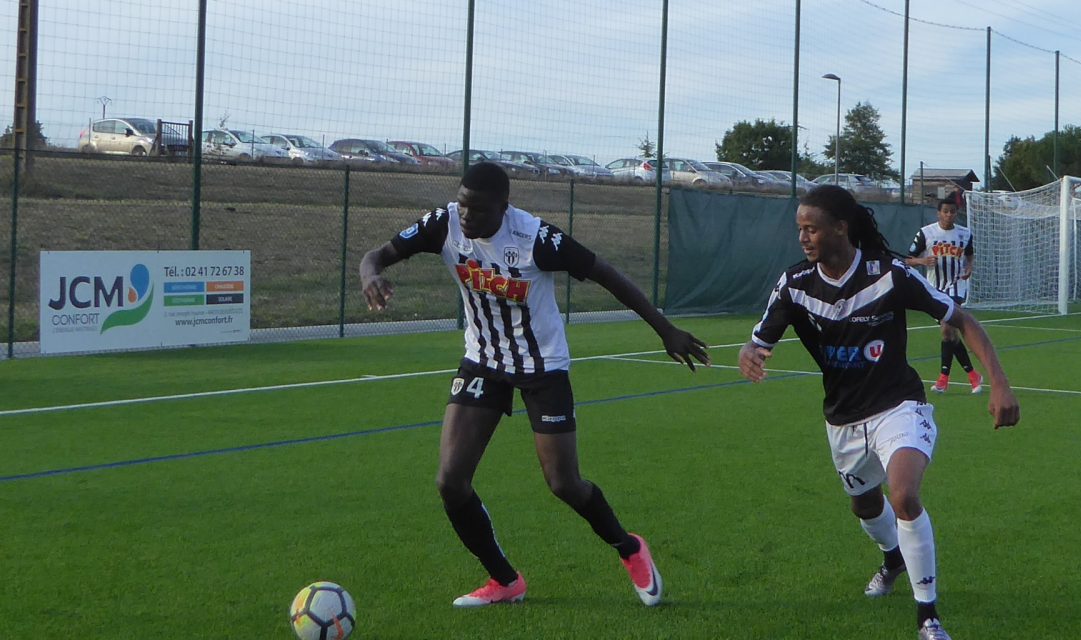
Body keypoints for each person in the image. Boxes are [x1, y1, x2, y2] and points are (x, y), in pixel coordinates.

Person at [360, 162, 709, 608]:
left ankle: (630, 549)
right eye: (463, 204)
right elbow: (375, 255)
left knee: (564, 483)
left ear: (505, 208)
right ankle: (505, 581)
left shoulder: (535, 239)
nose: (466, 216)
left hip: (543, 367)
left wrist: (665, 330)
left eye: (479, 210)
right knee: (450, 482)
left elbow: (607, 274)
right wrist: (370, 276)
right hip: (482, 362)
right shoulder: (442, 224)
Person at [737, 186, 1019, 640]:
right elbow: (758, 340)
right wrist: (749, 353)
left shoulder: (889, 275)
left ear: (841, 228)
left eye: (812, 228)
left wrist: (1000, 383)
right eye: (800, 230)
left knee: (904, 495)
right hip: (843, 419)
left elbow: (960, 319)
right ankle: (892, 559)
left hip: (898, 405)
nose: (804, 238)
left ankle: (927, 616)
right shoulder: (793, 285)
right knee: (864, 504)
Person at [906, 197, 981, 394]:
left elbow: (970, 255)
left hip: (956, 286)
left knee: (947, 328)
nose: (949, 215)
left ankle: (943, 379)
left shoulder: (964, 234)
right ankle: (973, 375)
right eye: (945, 211)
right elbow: (908, 259)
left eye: (952, 211)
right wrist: (922, 261)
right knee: (950, 333)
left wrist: (969, 267)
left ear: (957, 213)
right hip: (934, 288)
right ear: (938, 213)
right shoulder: (926, 232)